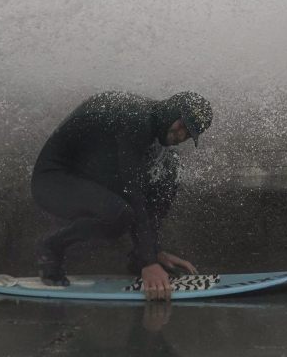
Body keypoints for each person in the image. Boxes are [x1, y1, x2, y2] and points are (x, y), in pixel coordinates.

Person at [30, 90, 213, 300]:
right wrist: (150, 261)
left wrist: (152, 251)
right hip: (53, 181)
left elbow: (143, 192)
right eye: (181, 126)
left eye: (188, 134)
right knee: (120, 214)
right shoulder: (135, 118)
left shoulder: (152, 126)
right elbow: (132, 192)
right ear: (170, 112)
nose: (180, 136)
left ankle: (139, 257)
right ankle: (51, 246)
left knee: (170, 168)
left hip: (90, 178)